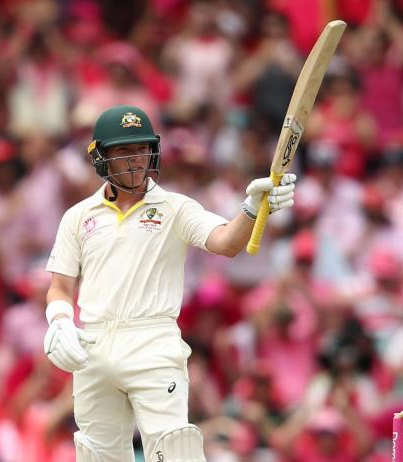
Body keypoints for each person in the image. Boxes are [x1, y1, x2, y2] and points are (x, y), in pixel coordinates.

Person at [42, 105, 296, 461]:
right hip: (94, 346)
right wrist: (59, 320)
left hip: (153, 343)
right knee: (97, 454)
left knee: (175, 451)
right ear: (101, 157)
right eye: (124, 151)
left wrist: (252, 208)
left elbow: (226, 242)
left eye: (142, 149)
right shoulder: (78, 217)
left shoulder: (175, 208)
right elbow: (60, 286)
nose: (136, 160)